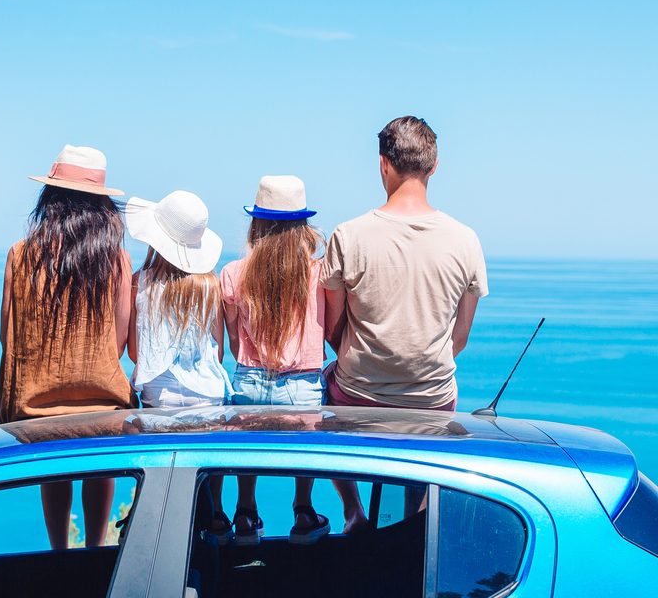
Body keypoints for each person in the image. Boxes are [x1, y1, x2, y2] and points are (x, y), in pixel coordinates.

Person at [321, 116, 489, 531]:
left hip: (357, 396)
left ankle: (352, 512)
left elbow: (332, 326)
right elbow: (460, 338)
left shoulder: (349, 235)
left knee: (323, 384)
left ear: (383, 165)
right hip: (431, 400)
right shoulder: (465, 239)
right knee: (428, 439)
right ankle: (414, 521)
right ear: (434, 167)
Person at [0, 144, 136, 550]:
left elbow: (8, 336)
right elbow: (120, 343)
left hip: (34, 410)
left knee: (53, 465)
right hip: (103, 407)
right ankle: (94, 550)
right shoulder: (117, 261)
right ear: (101, 207)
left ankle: (59, 552)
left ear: (50, 199)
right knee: (101, 458)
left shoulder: (20, 256)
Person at [220, 175, 330, 545]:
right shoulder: (318, 273)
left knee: (246, 451)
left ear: (257, 224)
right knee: (305, 453)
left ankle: (246, 513)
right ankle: (303, 510)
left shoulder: (235, 273)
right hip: (302, 384)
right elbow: (328, 326)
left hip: (251, 378)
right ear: (302, 226)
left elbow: (235, 338)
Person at [125, 189, 230, 409]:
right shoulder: (211, 284)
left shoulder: (141, 281)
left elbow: (136, 353)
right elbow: (218, 353)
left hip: (159, 394)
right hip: (207, 393)